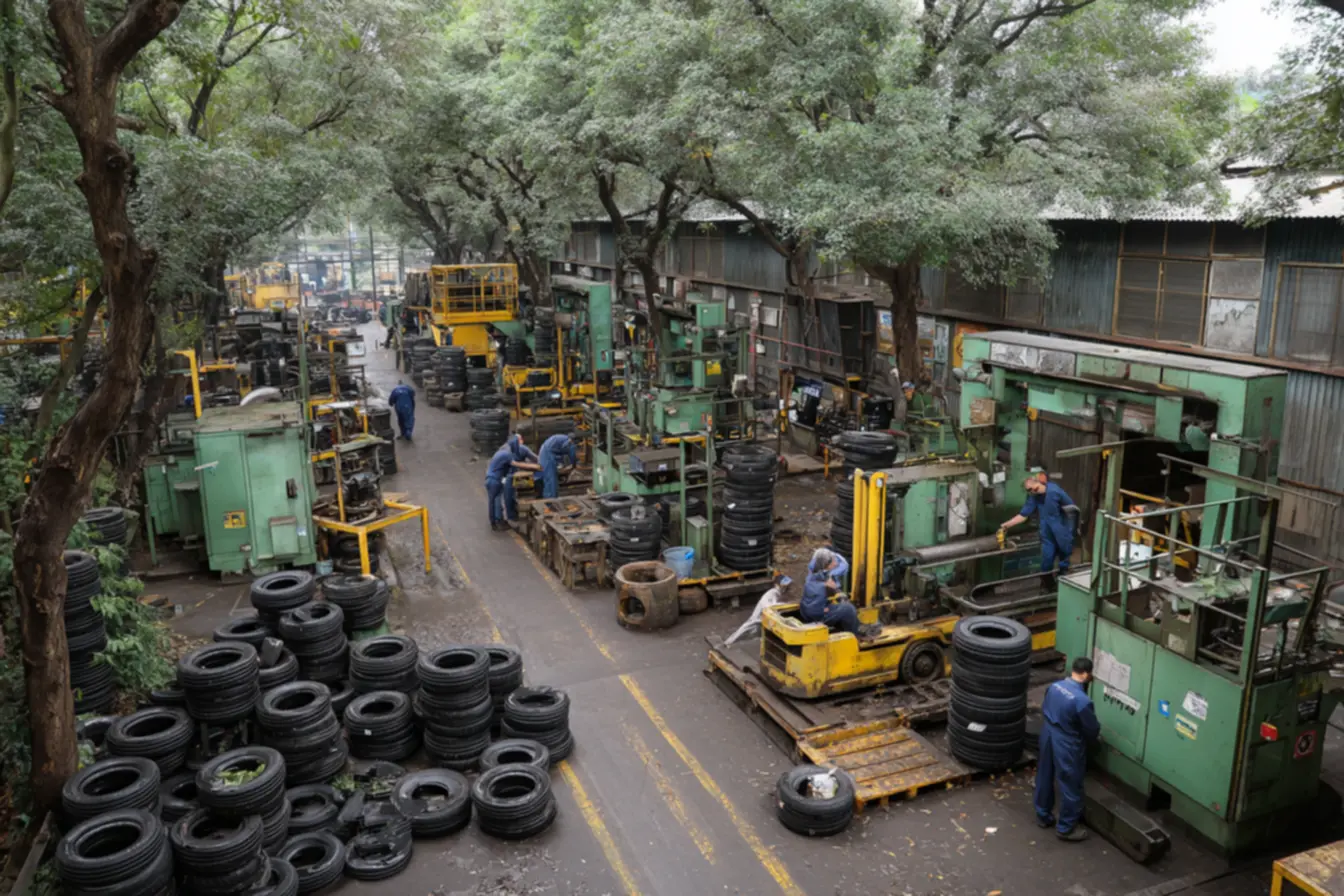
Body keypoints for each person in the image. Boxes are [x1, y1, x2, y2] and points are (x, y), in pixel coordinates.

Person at [1034, 657, 1101, 842]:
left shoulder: (1055, 686)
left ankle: (1043, 815)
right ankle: (1066, 827)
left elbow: (1045, 706)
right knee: (1071, 782)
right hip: (1066, 740)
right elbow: (1091, 729)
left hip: (1048, 732)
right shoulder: (1082, 701)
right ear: (1087, 674)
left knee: (1045, 774)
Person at [999, 473, 1077, 575]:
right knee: (1046, 561)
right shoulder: (1034, 497)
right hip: (1047, 533)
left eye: (1034, 489)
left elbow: (1072, 510)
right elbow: (1023, 515)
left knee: (1064, 559)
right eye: (1029, 491)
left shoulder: (1055, 491)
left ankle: (1063, 582)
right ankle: (1046, 585)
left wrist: (1072, 529)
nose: (1033, 492)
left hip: (1062, 531)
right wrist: (1005, 525)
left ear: (1040, 482)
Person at [484, 434, 541, 530]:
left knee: (493, 502)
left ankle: (495, 522)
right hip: (496, 480)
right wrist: (536, 467)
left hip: (493, 478)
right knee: (498, 500)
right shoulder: (507, 453)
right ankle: (499, 521)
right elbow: (517, 464)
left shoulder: (505, 450)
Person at [800, 547, 859, 635]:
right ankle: (855, 635)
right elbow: (815, 611)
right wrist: (824, 609)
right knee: (849, 609)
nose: (835, 563)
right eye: (833, 562)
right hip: (815, 616)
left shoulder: (815, 574)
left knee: (840, 604)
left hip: (805, 609)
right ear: (826, 564)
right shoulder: (821, 588)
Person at [725, 575, 793, 646]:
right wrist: (783, 605)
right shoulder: (772, 593)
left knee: (760, 632)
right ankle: (729, 642)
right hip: (758, 617)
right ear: (776, 585)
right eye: (784, 585)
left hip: (765, 617)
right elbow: (769, 606)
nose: (786, 587)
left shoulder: (778, 593)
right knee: (745, 629)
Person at [537, 433, 578, 499]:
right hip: (547, 455)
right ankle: (550, 500)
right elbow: (572, 455)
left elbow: (564, 453)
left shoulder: (563, 439)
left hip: (547, 452)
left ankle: (553, 497)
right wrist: (574, 466)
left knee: (551, 479)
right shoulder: (569, 443)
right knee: (551, 479)